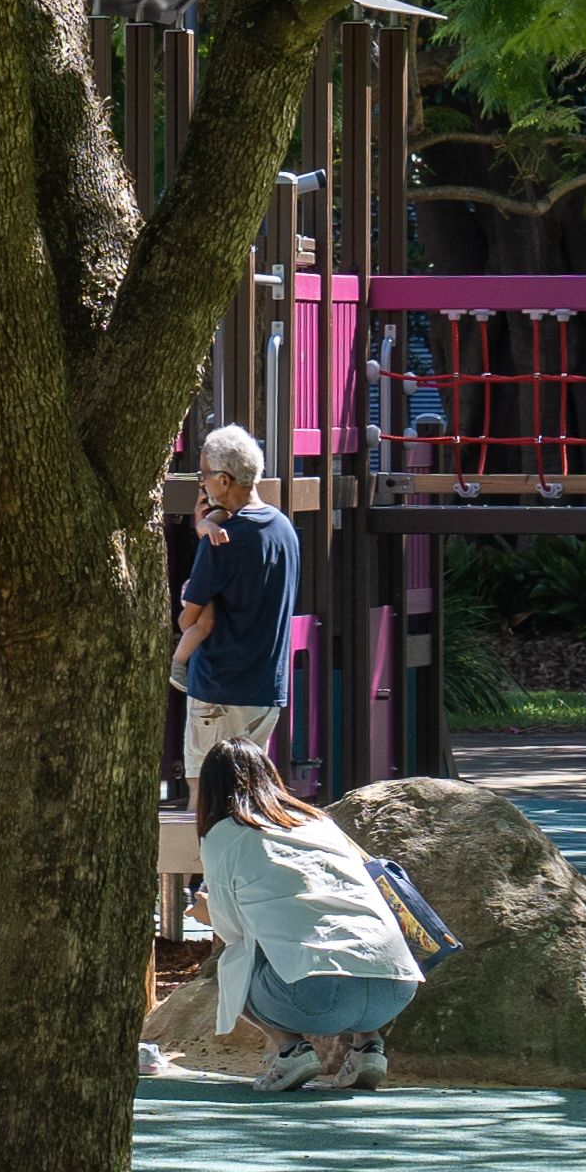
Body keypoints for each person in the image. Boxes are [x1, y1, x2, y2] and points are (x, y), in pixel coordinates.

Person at [192, 744, 428, 1092]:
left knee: (235, 961)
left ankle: (290, 1049)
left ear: (210, 789)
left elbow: (232, 930)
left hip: (317, 993)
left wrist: (205, 912)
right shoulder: (319, 822)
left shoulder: (223, 835)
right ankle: (368, 1046)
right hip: (396, 986)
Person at [169, 423, 299, 769]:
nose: (202, 483)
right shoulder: (283, 528)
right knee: (251, 796)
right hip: (265, 688)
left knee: (206, 798)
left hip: (219, 691)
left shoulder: (223, 539)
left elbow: (191, 618)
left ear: (224, 481)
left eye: (205, 475)